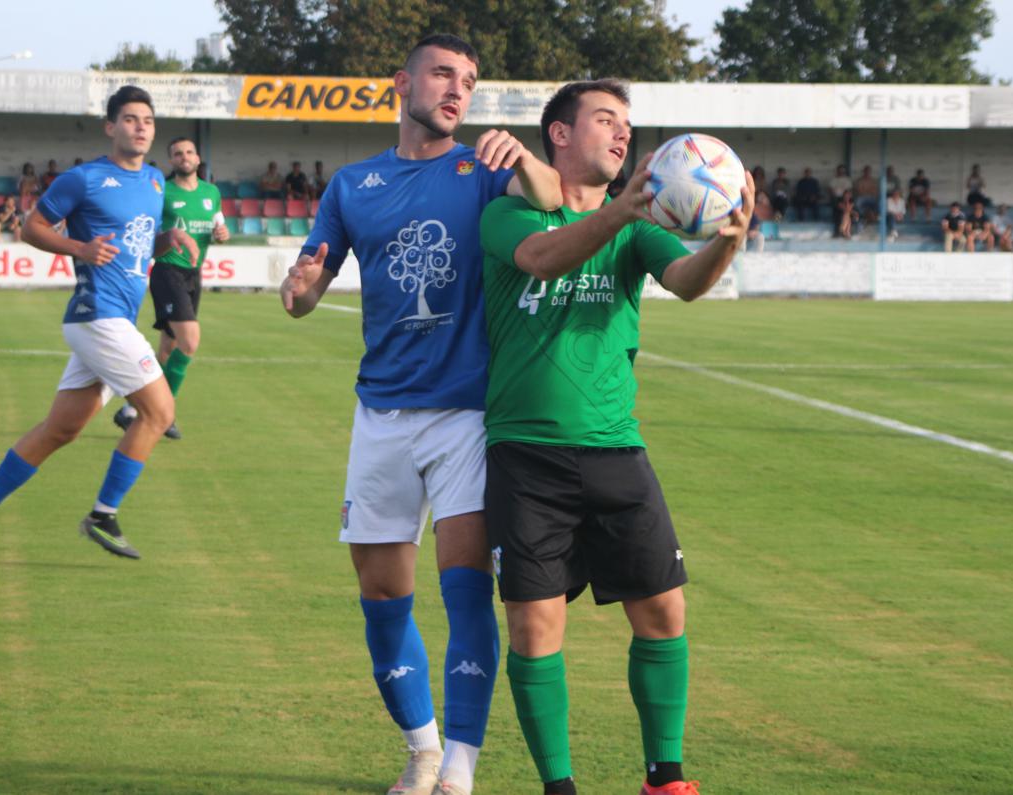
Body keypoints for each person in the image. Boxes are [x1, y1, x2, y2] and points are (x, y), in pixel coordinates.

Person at [280, 34, 561, 795]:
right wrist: (299, 285)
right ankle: (423, 748)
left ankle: (459, 769)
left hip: (465, 413)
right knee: (380, 594)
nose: (457, 88)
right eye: (442, 73)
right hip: (381, 412)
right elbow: (306, 291)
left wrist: (525, 158)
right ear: (402, 84)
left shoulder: (483, 171)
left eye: (468, 79)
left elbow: (554, 200)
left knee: (466, 590)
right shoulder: (352, 184)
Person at [480, 78, 752, 795]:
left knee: (664, 610)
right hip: (526, 455)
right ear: (560, 134)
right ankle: (559, 787)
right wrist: (620, 209)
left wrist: (727, 244)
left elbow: (686, 281)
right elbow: (543, 259)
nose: (623, 133)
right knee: (534, 628)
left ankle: (665, 777)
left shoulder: (637, 226)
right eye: (605, 119)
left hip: (616, 449)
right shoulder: (508, 214)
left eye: (626, 123)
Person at [0, 85, 198, 565]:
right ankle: (104, 515)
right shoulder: (84, 179)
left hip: (114, 320)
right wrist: (80, 248)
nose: (141, 127)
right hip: (97, 316)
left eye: (147, 120)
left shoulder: (154, 182)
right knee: (159, 413)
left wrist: (167, 237)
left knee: (61, 429)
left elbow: (135, 245)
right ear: (111, 127)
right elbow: (32, 227)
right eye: (130, 119)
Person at [113, 136, 230, 440]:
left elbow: (218, 228)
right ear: (172, 160)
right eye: (178, 153)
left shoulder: (211, 192)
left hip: (193, 274)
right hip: (167, 271)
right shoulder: (162, 191)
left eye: (189, 152)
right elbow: (146, 228)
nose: (184, 157)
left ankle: (131, 411)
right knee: (190, 341)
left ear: (198, 158)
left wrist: (221, 234)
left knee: (169, 348)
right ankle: (163, 413)